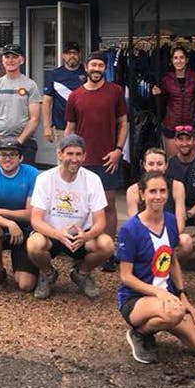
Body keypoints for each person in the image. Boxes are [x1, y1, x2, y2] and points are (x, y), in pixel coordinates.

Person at [117, 171, 195, 364]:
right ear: (142, 194)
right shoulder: (130, 229)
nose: (158, 196)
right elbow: (126, 276)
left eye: (162, 191)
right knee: (175, 312)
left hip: (168, 298)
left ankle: (160, 322)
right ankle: (140, 333)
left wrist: (182, 295)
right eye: (152, 191)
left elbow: (172, 260)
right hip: (136, 300)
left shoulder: (170, 221)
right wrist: (158, 292)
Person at [26, 134, 114, 300]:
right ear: (60, 154)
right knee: (34, 245)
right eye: (70, 154)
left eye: (78, 154)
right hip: (52, 233)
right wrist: (59, 234)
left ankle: (81, 273)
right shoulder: (45, 178)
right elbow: (36, 220)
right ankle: (47, 274)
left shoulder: (93, 180)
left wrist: (86, 235)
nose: (74, 159)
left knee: (107, 245)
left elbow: (100, 222)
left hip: (81, 234)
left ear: (84, 156)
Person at [64, 51, 128, 250]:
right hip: (81, 160)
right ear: (86, 67)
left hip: (107, 158)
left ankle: (108, 249)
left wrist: (118, 150)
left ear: (105, 68)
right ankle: (82, 246)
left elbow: (123, 123)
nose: (96, 69)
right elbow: (70, 128)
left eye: (100, 66)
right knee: (80, 205)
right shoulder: (75, 96)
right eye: (93, 65)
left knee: (108, 204)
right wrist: (66, 155)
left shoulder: (115, 91)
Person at [0, 137, 41, 294]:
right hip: (1, 228)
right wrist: (9, 223)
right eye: (3, 155)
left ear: (21, 157)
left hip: (25, 230)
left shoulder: (32, 174)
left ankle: (39, 268)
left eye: (12, 154)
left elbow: (30, 214)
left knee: (26, 285)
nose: (7, 159)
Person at [125, 148, 195, 257]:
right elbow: (133, 225)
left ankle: (171, 266)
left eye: (159, 164)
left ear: (166, 165)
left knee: (186, 241)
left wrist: (162, 240)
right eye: (151, 164)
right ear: (144, 165)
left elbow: (180, 225)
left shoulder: (177, 186)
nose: (155, 168)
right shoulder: (133, 190)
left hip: (169, 235)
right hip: (143, 238)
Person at [0, 42, 41, 164]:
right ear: (2, 60)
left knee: (25, 175)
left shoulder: (30, 85)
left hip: (25, 143)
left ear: (22, 60)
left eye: (14, 57)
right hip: (1, 142)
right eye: (7, 57)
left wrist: (19, 141)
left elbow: (35, 118)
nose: (10, 60)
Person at [151, 44, 195, 147]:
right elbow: (161, 102)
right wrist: (157, 94)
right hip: (171, 125)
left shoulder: (194, 77)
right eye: (175, 58)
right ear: (172, 61)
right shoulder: (166, 79)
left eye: (182, 57)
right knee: (172, 157)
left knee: (190, 155)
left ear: (187, 60)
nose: (179, 61)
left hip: (190, 125)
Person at [42, 42, 86, 147]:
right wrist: (47, 127)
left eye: (75, 53)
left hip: (84, 126)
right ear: (63, 56)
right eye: (68, 53)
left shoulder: (87, 73)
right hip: (61, 127)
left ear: (79, 55)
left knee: (85, 156)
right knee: (63, 156)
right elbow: (47, 102)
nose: (72, 56)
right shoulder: (55, 75)